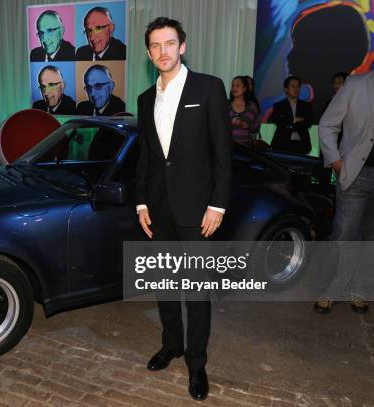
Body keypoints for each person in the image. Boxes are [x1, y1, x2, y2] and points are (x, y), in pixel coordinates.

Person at [135, 17, 232, 401]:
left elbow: (223, 153)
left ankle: (196, 362)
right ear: (149, 52)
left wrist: (218, 205)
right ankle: (172, 344)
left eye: (169, 43)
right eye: (156, 46)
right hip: (158, 210)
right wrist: (141, 201)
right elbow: (146, 157)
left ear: (182, 46)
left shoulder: (208, 88)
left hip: (197, 211)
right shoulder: (145, 99)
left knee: (196, 291)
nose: (163, 51)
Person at [315, 70, 374, 315]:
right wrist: (336, 162)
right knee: (345, 234)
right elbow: (327, 125)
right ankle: (332, 289)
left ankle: (360, 291)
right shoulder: (356, 85)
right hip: (356, 174)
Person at [269, 76, 313, 154]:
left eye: (298, 86)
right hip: (282, 143)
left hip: (302, 143)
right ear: (286, 89)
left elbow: (309, 122)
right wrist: (295, 120)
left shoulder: (306, 105)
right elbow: (278, 121)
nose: (296, 89)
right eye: (293, 86)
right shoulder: (278, 105)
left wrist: (288, 121)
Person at [229, 76, 260, 142]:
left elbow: (256, 128)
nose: (234, 88)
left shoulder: (252, 106)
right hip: (227, 145)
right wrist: (230, 122)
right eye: (232, 86)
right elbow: (218, 124)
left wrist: (248, 125)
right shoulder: (226, 104)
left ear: (245, 89)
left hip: (245, 146)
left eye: (237, 86)